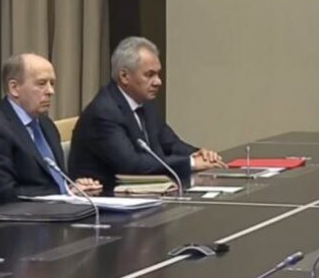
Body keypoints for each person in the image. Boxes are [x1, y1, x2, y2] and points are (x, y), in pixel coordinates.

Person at [68, 36, 225, 189]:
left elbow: (171, 144)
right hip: (103, 196)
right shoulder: (104, 112)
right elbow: (131, 165)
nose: (158, 81)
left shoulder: (145, 104)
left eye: (158, 74)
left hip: (144, 191)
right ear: (124, 76)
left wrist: (198, 154)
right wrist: (191, 163)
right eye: (149, 75)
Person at [0, 54, 102, 209]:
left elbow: (50, 180)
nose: (51, 91)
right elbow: (0, 194)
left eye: (52, 83)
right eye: (42, 83)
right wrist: (62, 192)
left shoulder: (46, 124)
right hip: (20, 220)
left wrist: (72, 187)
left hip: (56, 212)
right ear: (14, 88)